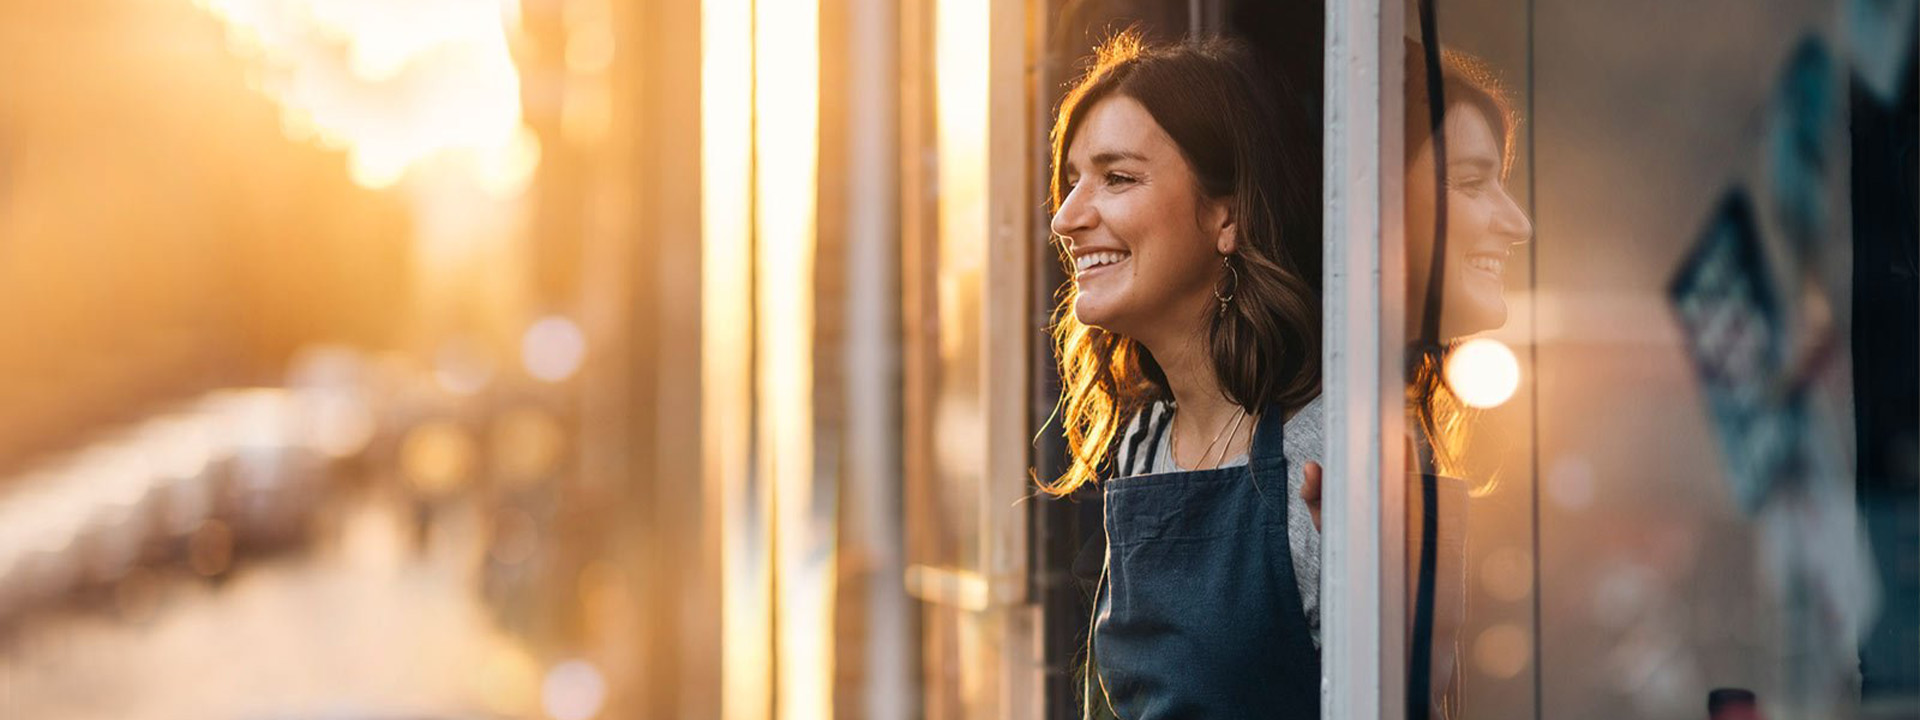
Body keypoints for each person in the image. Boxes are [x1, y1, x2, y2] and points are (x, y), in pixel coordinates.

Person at [1039, 31, 1325, 719]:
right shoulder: (1145, 444)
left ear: (1226, 214)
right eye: (1072, 180)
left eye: (1117, 177)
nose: (1067, 217)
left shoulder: (1322, 449)